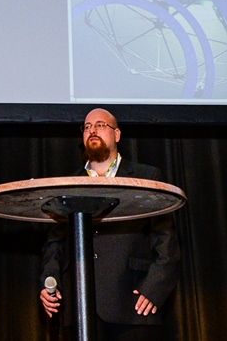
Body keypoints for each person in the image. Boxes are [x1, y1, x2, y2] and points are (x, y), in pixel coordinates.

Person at [39, 108, 180, 341]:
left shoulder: (146, 177)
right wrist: (49, 282)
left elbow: (166, 240)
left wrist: (154, 288)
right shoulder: (67, 184)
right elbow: (55, 243)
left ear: (117, 134)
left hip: (132, 306)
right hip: (79, 307)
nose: (92, 130)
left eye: (100, 125)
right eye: (87, 127)